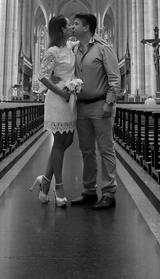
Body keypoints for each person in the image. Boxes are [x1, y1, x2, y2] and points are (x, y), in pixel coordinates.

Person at [69, 12, 121, 209]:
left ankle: (109, 193)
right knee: (86, 151)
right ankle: (89, 190)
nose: (73, 27)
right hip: (81, 107)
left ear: (87, 28)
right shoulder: (75, 51)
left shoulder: (103, 48)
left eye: (76, 24)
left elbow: (114, 78)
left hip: (101, 106)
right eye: (72, 24)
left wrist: (109, 102)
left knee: (106, 149)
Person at [29, 15, 77, 207]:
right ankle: (59, 186)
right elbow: (42, 76)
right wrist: (61, 91)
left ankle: (45, 180)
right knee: (59, 141)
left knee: (67, 140)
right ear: (61, 30)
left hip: (70, 98)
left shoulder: (69, 48)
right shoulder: (52, 51)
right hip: (58, 99)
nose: (72, 27)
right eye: (68, 25)